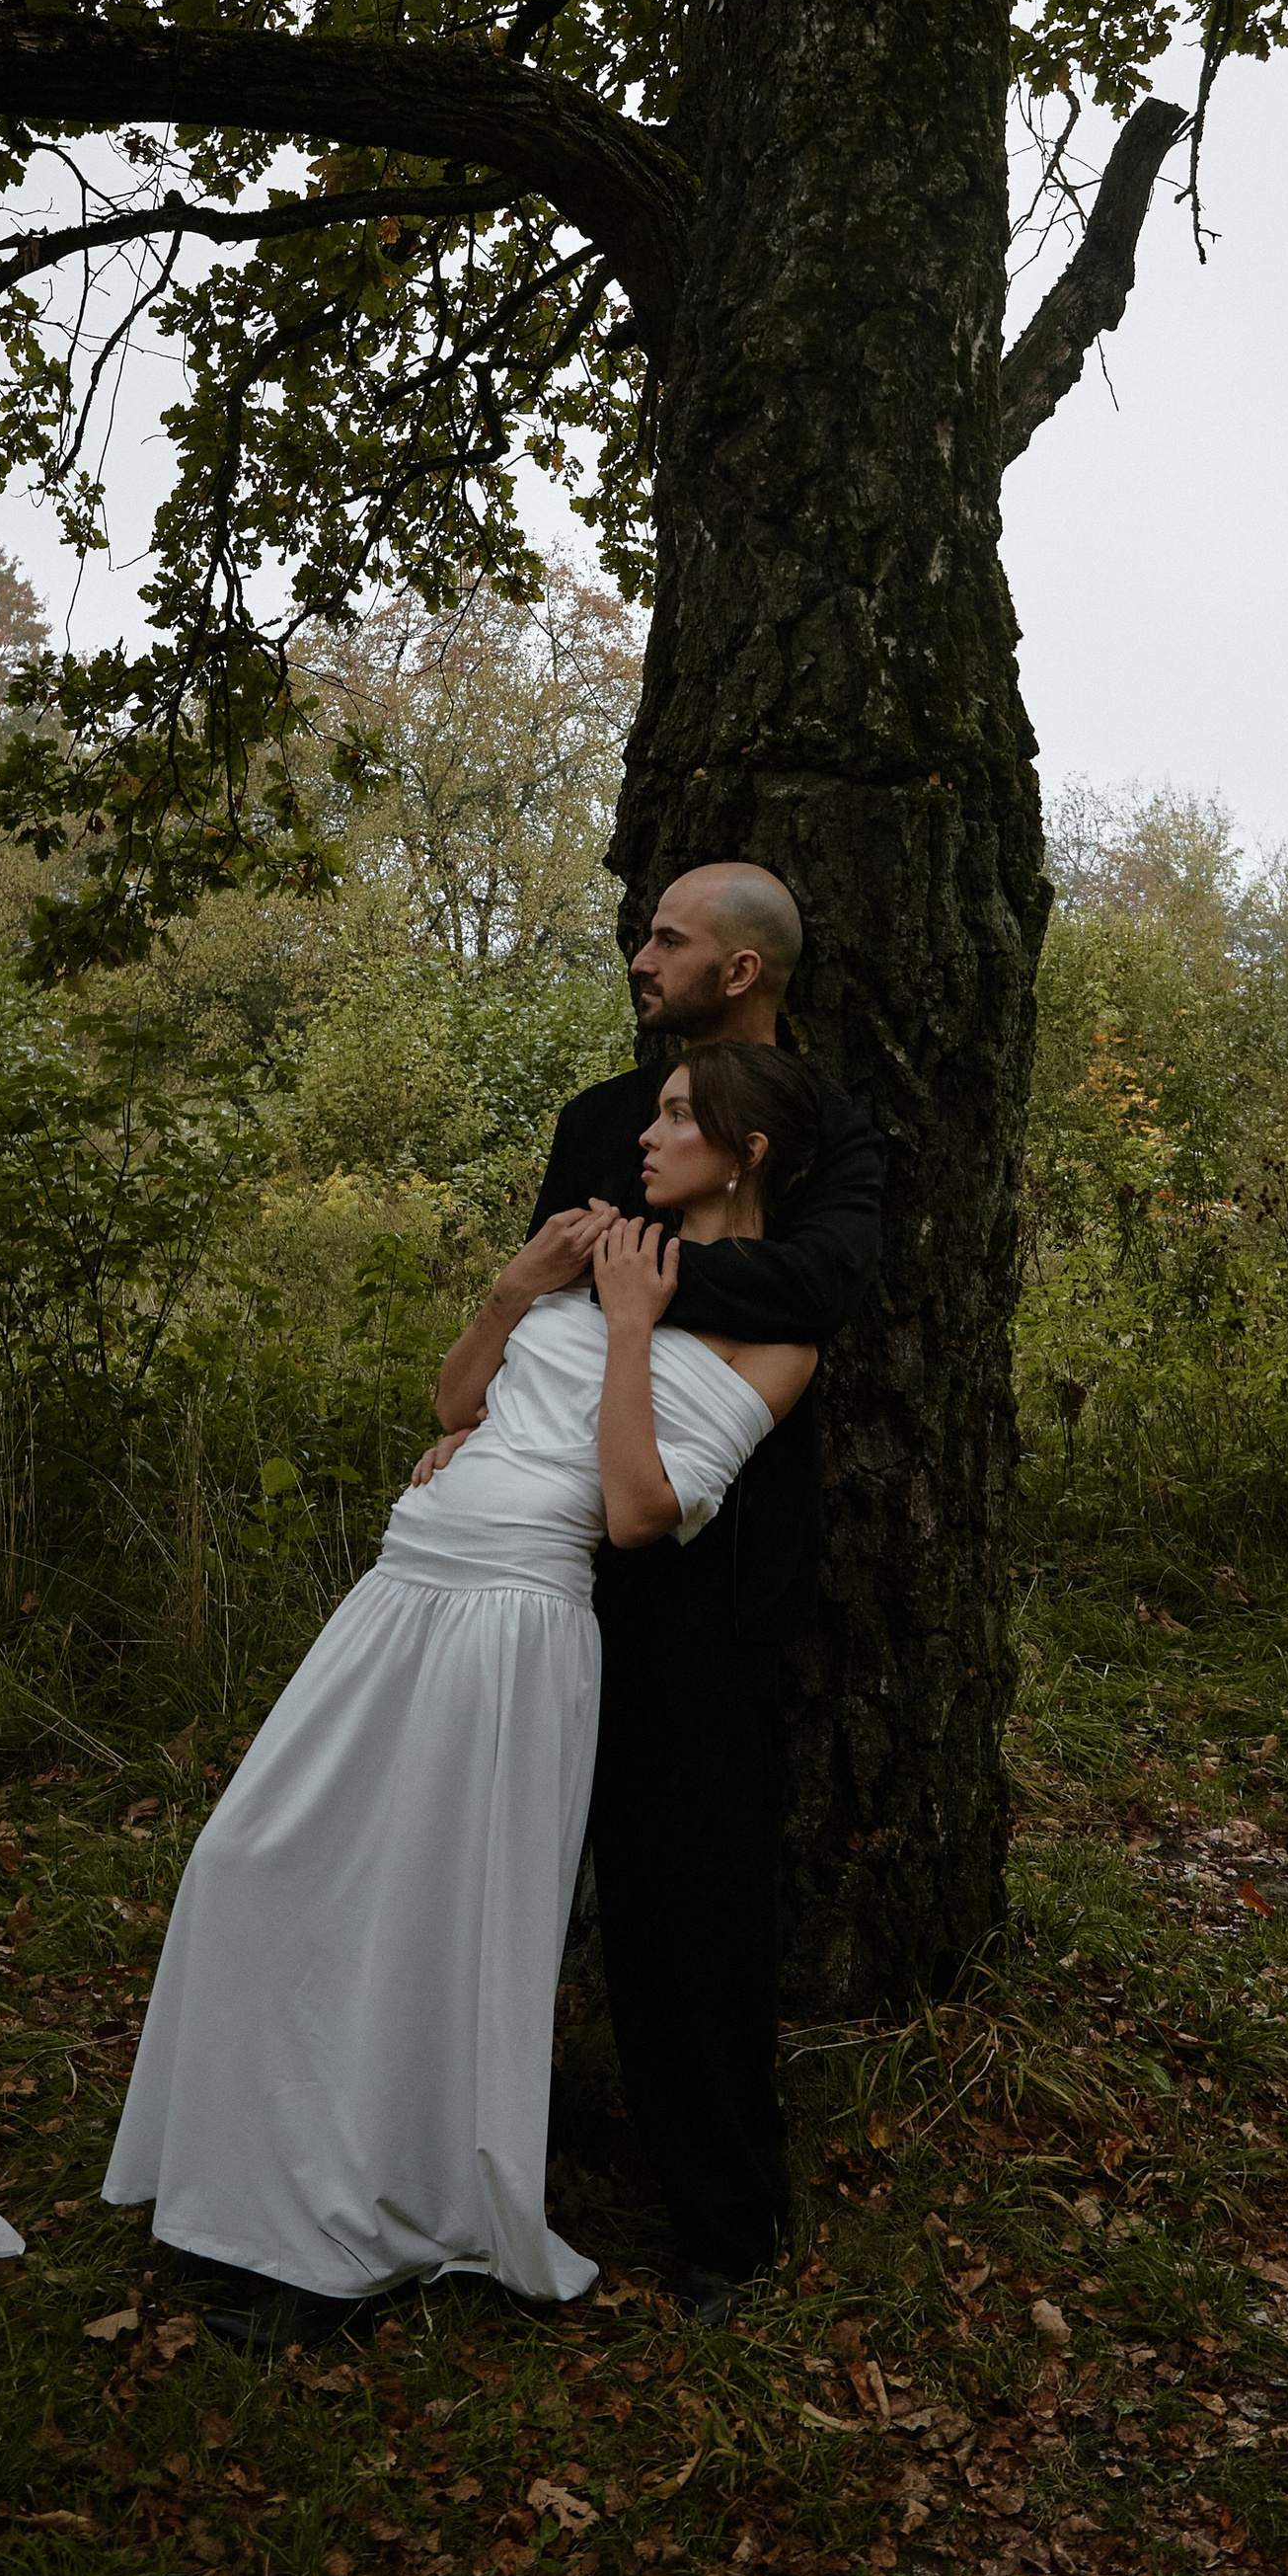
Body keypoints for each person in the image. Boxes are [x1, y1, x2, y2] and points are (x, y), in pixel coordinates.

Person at [100, 1044, 821, 2330]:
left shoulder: (769, 1336)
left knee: (423, 1924)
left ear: (746, 1153)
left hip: (513, 1621)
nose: (644, 1138)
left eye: (674, 1119)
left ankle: (353, 2233)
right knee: (252, 1860)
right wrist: (513, 1290)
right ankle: (249, 2178)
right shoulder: (605, 1254)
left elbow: (644, 1512)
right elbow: (453, 1399)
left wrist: (633, 1336)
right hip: (400, 1590)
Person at [421, 862, 885, 2323]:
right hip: (539, 1557)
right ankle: (467, 2146)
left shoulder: (833, 1133)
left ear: (739, 972)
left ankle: (724, 2219)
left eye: (668, 940)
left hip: (706, 1572)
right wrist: (486, 1406)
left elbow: (813, 1291)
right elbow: (547, 1288)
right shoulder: (597, 1123)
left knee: (694, 1894)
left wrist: (648, 1277)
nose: (642, 957)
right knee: (500, 1863)